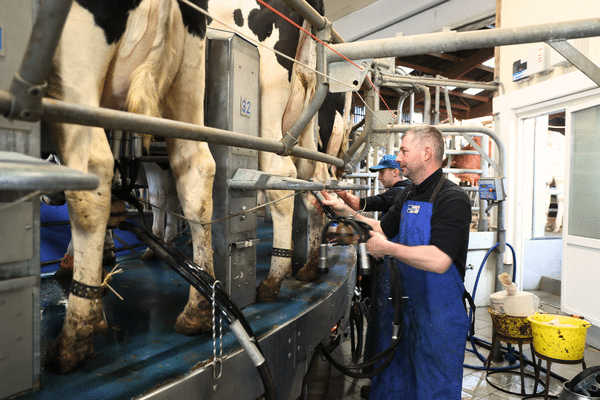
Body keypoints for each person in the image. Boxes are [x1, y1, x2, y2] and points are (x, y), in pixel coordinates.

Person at [319, 125, 472, 400]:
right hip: (406, 309)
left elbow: (439, 260)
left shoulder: (453, 198)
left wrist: (388, 248)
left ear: (426, 153)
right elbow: (382, 229)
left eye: (404, 151)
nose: (398, 158)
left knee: (433, 387)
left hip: (438, 318)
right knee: (397, 382)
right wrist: (346, 211)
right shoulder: (408, 194)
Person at [335, 154, 409, 214]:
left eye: (382, 172)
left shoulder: (396, 193)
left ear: (395, 172)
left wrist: (336, 188)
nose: (379, 178)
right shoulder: (407, 188)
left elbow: (358, 204)